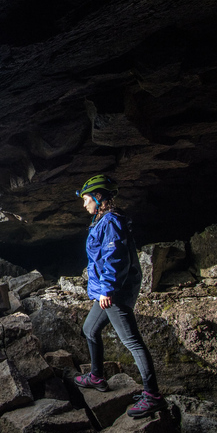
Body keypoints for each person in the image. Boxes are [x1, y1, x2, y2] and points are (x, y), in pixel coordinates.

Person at [73, 174, 167, 418]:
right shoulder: (101, 220)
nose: (84, 204)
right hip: (107, 292)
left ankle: (153, 395)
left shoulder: (111, 221)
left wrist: (107, 289)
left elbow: (115, 258)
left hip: (114, 293)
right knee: (90, 330)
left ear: (98, 196)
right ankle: (96, 376)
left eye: (86, 199)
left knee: (132, 342)